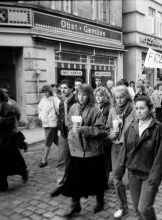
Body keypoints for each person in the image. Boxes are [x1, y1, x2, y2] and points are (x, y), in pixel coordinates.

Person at [115, 96, 162, 220]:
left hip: (149, 176)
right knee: (136, 209)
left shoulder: (158, 129)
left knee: (144, 208)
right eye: (137, 108)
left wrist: (154, 179)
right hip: (133, 174)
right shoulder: (132, 127)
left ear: (150, 109)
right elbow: (125, 150)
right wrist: (119, 170)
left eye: (142, 108)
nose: (139, 111)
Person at [55, 84, 107, 217]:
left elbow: (101, 130)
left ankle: (100, 201)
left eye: (84, 94)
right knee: (74, 178)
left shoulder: (95, 110)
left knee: (96, 179)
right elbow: (68, 122)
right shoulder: (73, 107)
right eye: (79, 94)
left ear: (89, 96)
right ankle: (75, 205)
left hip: (92, 152)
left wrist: (85, 129)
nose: (81, 97)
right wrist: (72, 129)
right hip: (76, 151)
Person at [107, 86, 136, 218]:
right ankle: (122, 207)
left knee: (132, 180)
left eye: (122, 97)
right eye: (116, 98)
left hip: (130, 148)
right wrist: (111, 134)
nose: (119, 100)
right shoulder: (113, 111)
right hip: (116, 147)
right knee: (117, 179)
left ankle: (139, 205)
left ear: (127, 97)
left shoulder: (134, 110)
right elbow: (107, 128)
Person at [51, 79, 76, 193]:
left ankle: (73, 182)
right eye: (61, 88)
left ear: (71, 89)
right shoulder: (62, 102)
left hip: (74, 135)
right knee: (61, 160)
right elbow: (60, 117)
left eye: (65, 88)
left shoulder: (76, 102)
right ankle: (60, 184)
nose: (62, 90)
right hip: (63, 135)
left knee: (74, 160)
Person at [38, 84, 60, 168]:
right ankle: (66, 155)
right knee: (56, 141)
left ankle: (44, 160)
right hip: (45, 124)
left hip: (52, 124)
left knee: (48, 141)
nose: (45, 93)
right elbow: (40, 109)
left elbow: (59, 109)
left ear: (50, 91)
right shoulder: (43, 100)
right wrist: (40, 116)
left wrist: (55, 118)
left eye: (47, 91)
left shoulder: (55, 100)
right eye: (44, 92)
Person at [95, 86, 112, 189]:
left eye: (100, 96)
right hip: (96, 137)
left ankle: (104, 181)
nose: (98, 98)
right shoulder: (94, 106)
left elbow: (109, 123)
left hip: (105, 138)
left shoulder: (109, 108)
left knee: (105, 160)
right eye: (96, 96)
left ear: (105, 97)